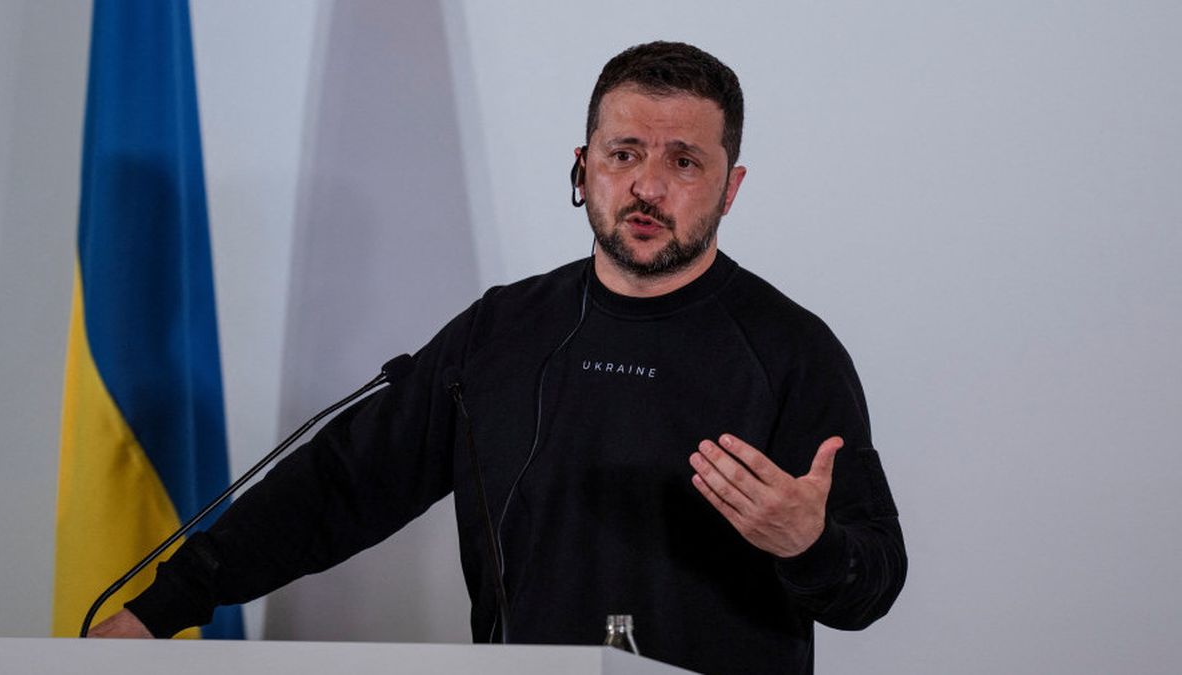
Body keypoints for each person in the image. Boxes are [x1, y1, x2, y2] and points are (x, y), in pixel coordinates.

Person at [91, 41, 906, 674]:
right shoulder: (502, 332)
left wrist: (809, 543)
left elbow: (873, 581)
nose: (648, 185)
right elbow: (337, 487)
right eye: (624, 153)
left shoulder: (791, 350)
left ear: (731, 188)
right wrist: (163, 607)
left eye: (684, 161)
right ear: (584, 169)